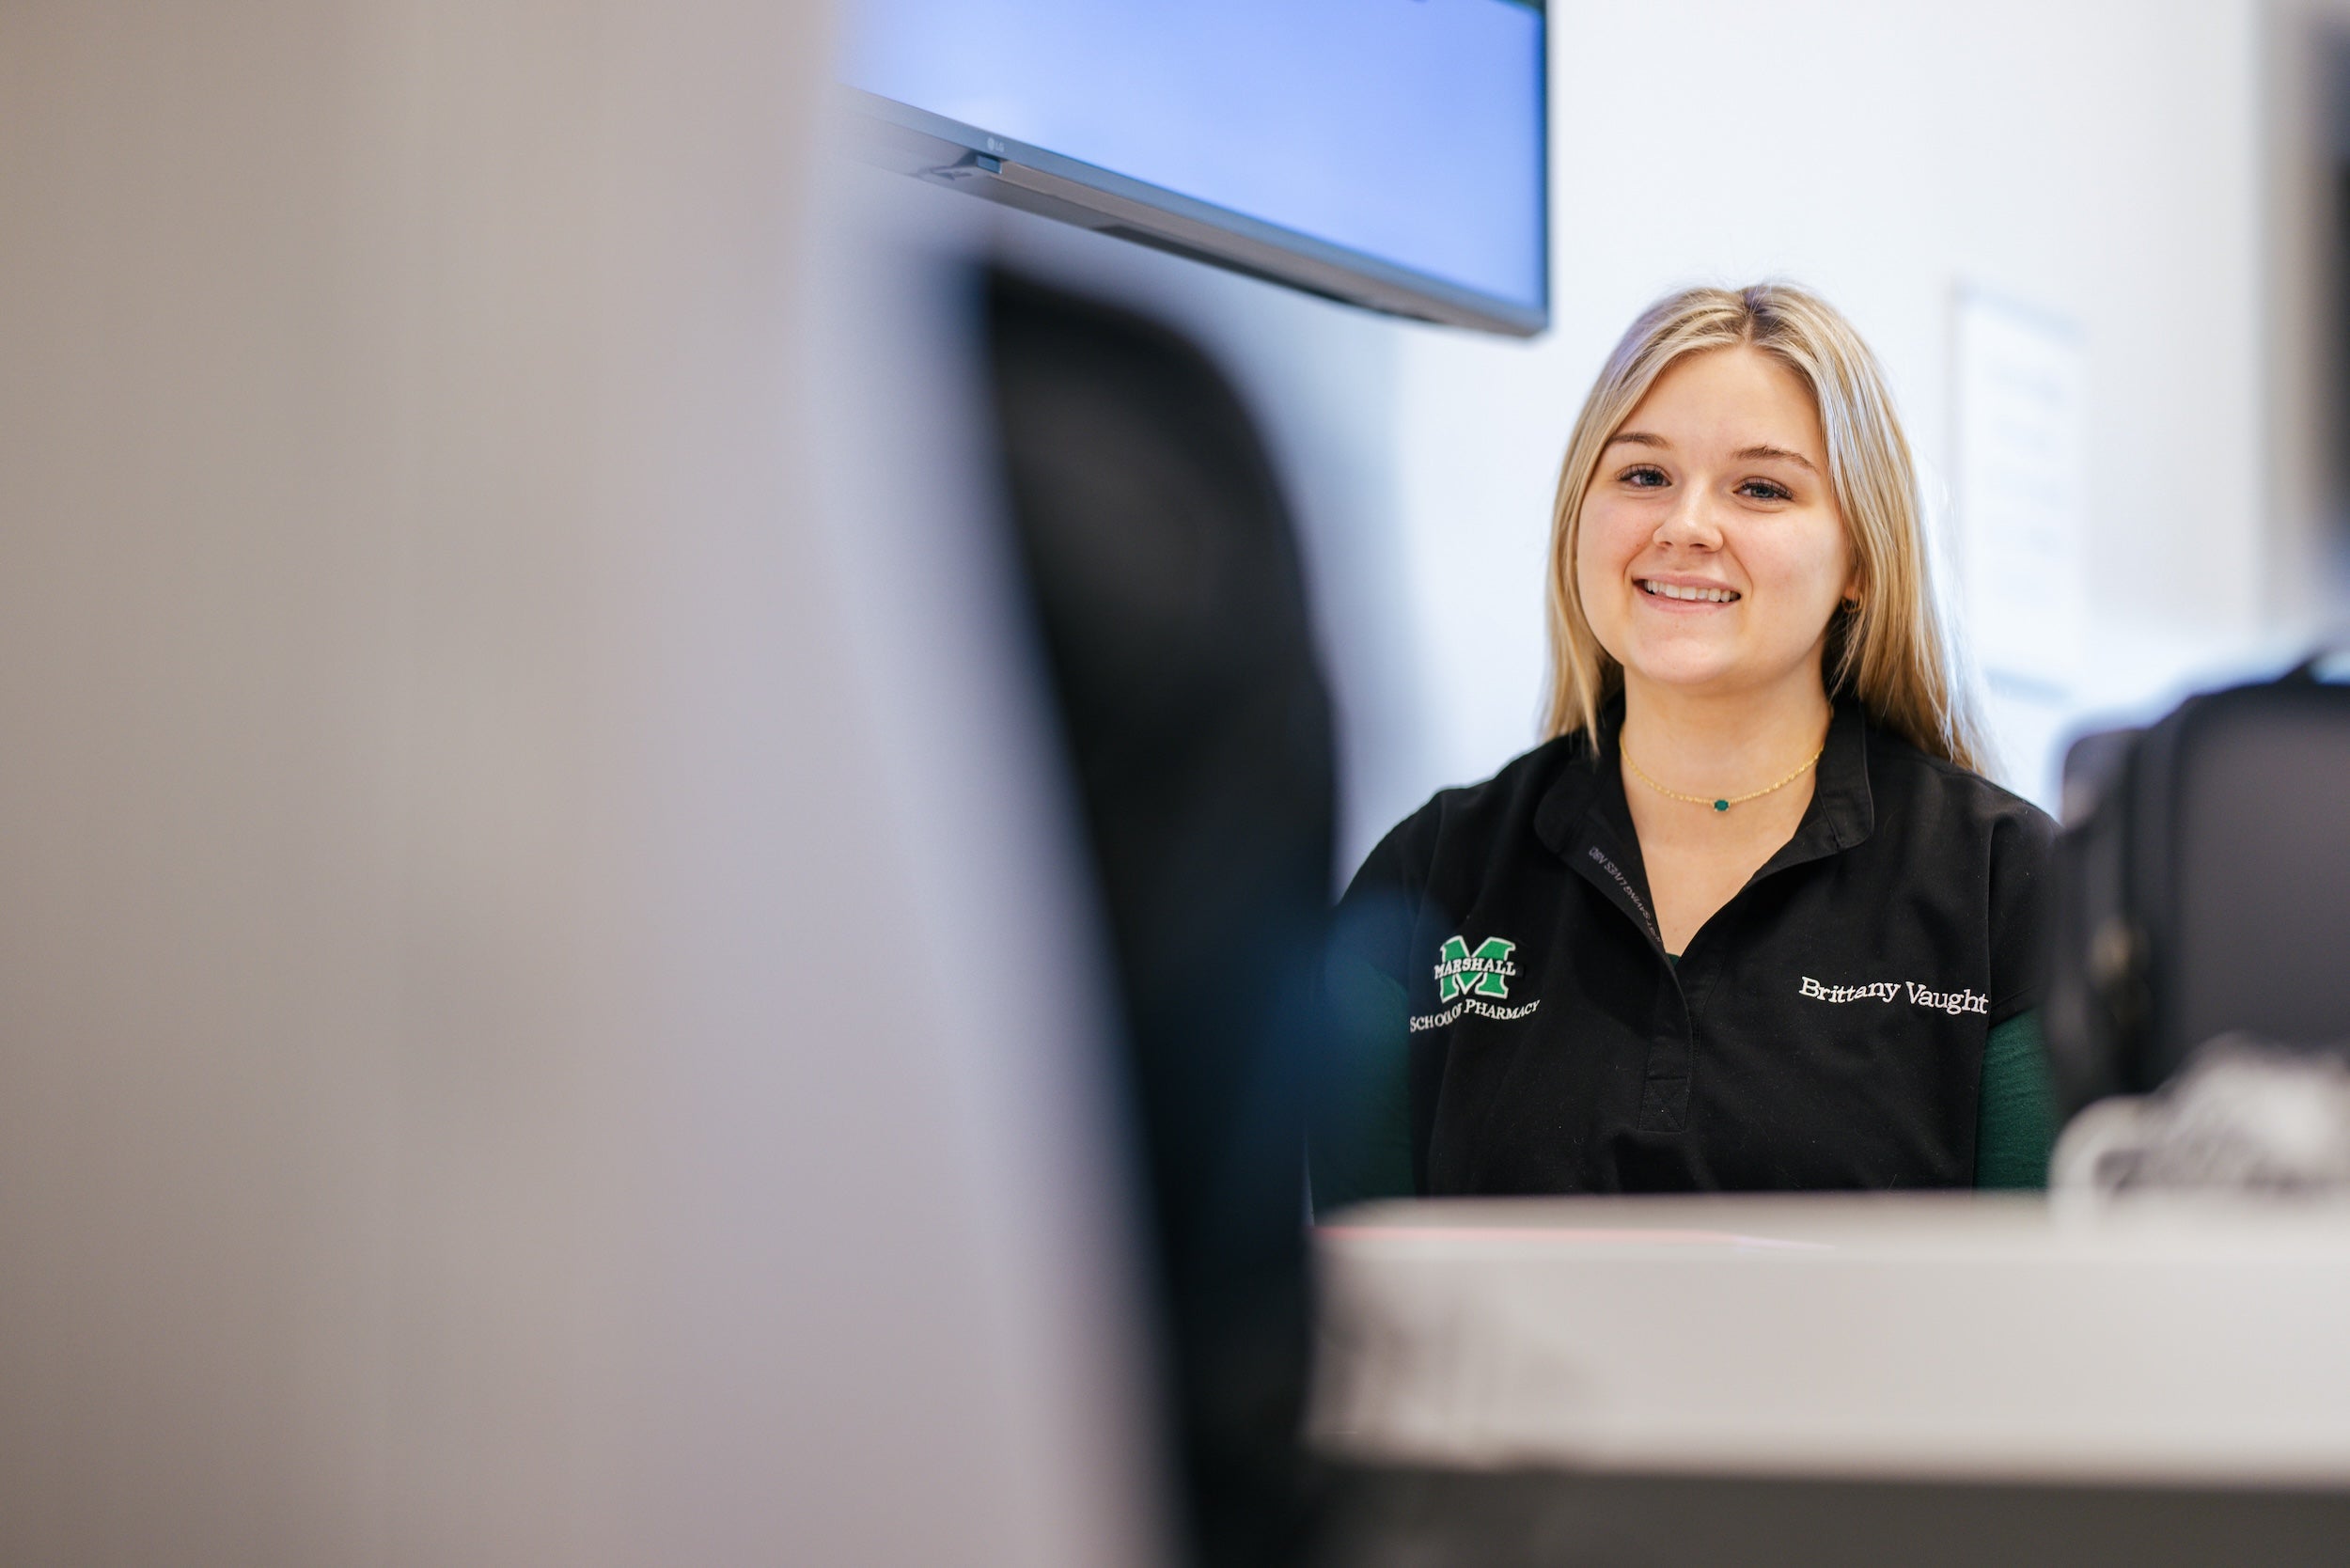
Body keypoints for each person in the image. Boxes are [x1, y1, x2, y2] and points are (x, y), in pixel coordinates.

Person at [1310, 283, 2058, 1204]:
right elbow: (1352, 1295)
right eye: (1643, 475)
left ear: (1861, 560)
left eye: (1760, 487)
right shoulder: (1430, 873)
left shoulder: (2004, 885)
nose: (1686, 525)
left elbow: (2043, 1305)